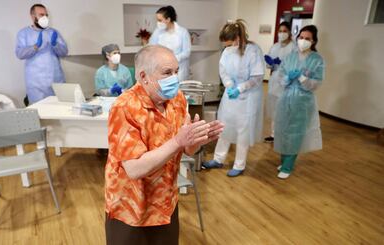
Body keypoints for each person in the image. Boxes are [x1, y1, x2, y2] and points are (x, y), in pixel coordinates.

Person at [104, 45, 224, 245]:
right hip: (131, 208)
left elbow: (186, 149)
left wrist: (195, 141)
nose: (175, 78)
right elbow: (134, 168)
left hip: (165, 202)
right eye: (167, 72)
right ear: (144, 77)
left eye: (176, 71)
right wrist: (178, 141)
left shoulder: (176, 99)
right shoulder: (124, 107)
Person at [202, 19, 265, 177]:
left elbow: (257, 77)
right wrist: (229, 85)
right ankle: (218, 159)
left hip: (248, 97)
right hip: (231, 95)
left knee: (242, 130)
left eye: (229, 44)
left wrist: (240, 88)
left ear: (238, 38)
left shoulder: (253, 50)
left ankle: (239, 164)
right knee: (224, 126)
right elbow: (223, 71)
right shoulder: (228, 51)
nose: (227, 47)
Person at [274, 25, 325, 179]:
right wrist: (288, 78)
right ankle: (283, 161)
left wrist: (303, 78)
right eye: (301, 37)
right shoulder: (290, 57)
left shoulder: (317, 60)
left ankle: (288, 166)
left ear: (314, 41)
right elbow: (281, 78)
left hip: (303, 100)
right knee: (283, 129)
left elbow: (316, 83)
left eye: (307, 38)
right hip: (287, 97)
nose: (303, 41)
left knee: (295, 132)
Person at [15, 4, 68, 104]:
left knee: (58, 111)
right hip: (36, 83)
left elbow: (64, 52)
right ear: (32, 16)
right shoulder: (24, 33)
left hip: (56, 80)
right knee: (40, 113)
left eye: (46, 15)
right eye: (41, 14)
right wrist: (35, 47)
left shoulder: (53, 32)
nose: (45, 18)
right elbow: (19, 54)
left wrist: (55, 44)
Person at [264, 21, 296, 142]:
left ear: (289, 33)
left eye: (284, 31)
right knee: (275, 109)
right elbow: (269, 65)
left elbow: (295, 65)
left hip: (287, 82)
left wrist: (282, 63)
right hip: (274, 81)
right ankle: (274, 134)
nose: (282, 34)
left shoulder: (293, 47)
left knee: (285, 109)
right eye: (280, 31)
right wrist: (270, 62)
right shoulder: (275, 46)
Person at [149, 6, 191, 81]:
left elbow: (186, 52)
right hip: (161, 70)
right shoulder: (157, 32)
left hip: (179, 72)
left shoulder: (182, 32)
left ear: (168, 19)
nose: (158, 23)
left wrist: (173, 59)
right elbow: (151, 48)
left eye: (160, 20)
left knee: (177, 91)